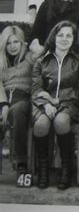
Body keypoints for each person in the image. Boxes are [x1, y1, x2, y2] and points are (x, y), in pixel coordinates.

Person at [31, 21, 79, 189]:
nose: (64, 39)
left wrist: (57, 101)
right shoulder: (42, 60)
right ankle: (43, 169)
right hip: (43, 105)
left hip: (70, 104)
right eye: (60, 35)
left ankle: (66, 168)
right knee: (41, 125)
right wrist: (46, 104)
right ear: (54, 37)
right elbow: (36, 90)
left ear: (74, 39)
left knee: (61, 121)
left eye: (69, 35)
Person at [0, 26, 43, 186]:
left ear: (22, 42)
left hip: (23, 99)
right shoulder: (1, 60)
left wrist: (34, 46)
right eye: (9, 43)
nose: (12, 46)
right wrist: (3, 104)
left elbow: (43, 52)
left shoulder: (29, 57)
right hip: (5, 100)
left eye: (16, 42)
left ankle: (21, 164)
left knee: (17, 111)